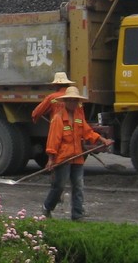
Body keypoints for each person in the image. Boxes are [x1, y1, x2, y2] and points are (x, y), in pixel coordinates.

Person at [42, 86, 113, 220]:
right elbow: (53, 140)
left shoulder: (79, 117)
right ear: (66, 101)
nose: (73, 103)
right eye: (71, 100)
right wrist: (51, 159)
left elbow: (88, 132)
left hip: (78, 157)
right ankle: (47, 207)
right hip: (63, 158)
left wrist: (102, 140)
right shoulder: (58, 119)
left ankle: (77, 214)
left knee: (78, 186)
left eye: (76, 101)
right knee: (59, 186)